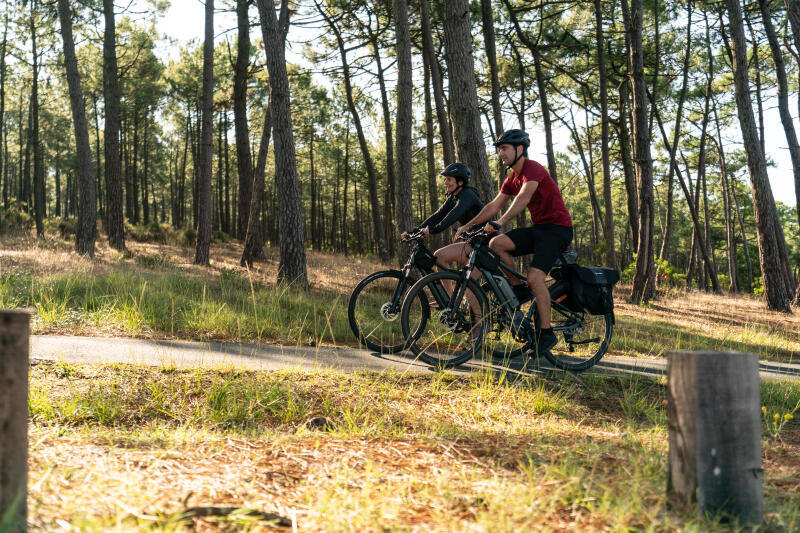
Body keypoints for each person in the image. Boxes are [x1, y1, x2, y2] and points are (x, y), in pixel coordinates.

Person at [455, 129, 573, 355]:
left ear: (520, 149)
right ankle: (518, 289)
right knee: (496, 244)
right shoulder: (512, 178)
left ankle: (546, 333)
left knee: (535, 278)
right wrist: (469, 225)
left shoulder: (533, 169)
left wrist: (501, 221)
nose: (501, 153)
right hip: (539, 229)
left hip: (558, 230)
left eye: (505, 148)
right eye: (499, 149)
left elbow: (524, 198)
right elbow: (492, 205)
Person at [401, 162, 483, 268]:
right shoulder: (453, 197)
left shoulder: (468, 195)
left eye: (449, 179)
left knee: (464, 282)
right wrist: (415, 231)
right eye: (445, 179)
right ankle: (447, 286)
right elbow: (438, 215)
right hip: (473, 242)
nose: (445, 183)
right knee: (440, 257)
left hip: (485, 242)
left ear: (460, 182)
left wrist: (435, 229)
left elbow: (454, 214)